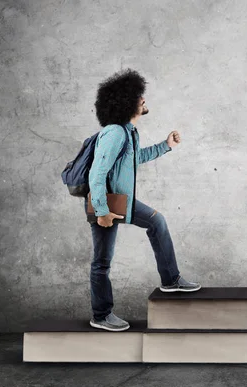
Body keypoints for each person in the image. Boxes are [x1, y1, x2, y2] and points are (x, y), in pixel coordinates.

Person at [84, 69, 201, 332]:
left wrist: (166, 145)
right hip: (105, 202)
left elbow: (136, 159)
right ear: (126, 102)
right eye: (139, 96)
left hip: (121, 201)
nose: (143, 100)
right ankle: (101, 315)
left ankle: (170, 280)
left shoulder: (128, 132)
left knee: (156, 221)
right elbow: (97, 173)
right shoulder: (114, 133)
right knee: (102, 262)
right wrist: (102, 211)